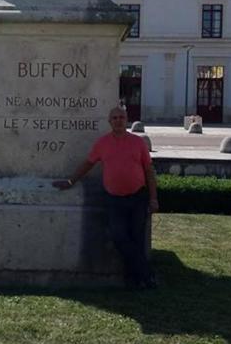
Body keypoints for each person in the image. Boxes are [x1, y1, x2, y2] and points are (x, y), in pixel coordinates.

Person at [53, 107, 159, 288]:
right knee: (119, 237)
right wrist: (71, 182)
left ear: (127, 120)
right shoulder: (103, 143)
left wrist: (153, 198)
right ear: (109, 121)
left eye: (121, 117)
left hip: (137, 197)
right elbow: (88, 164)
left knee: (136, 238)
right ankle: (146, 274)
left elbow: (149, 171)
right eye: (114, 118)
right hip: (114, 199)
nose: (118, 120)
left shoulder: (138, 142)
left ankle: (134, 279)